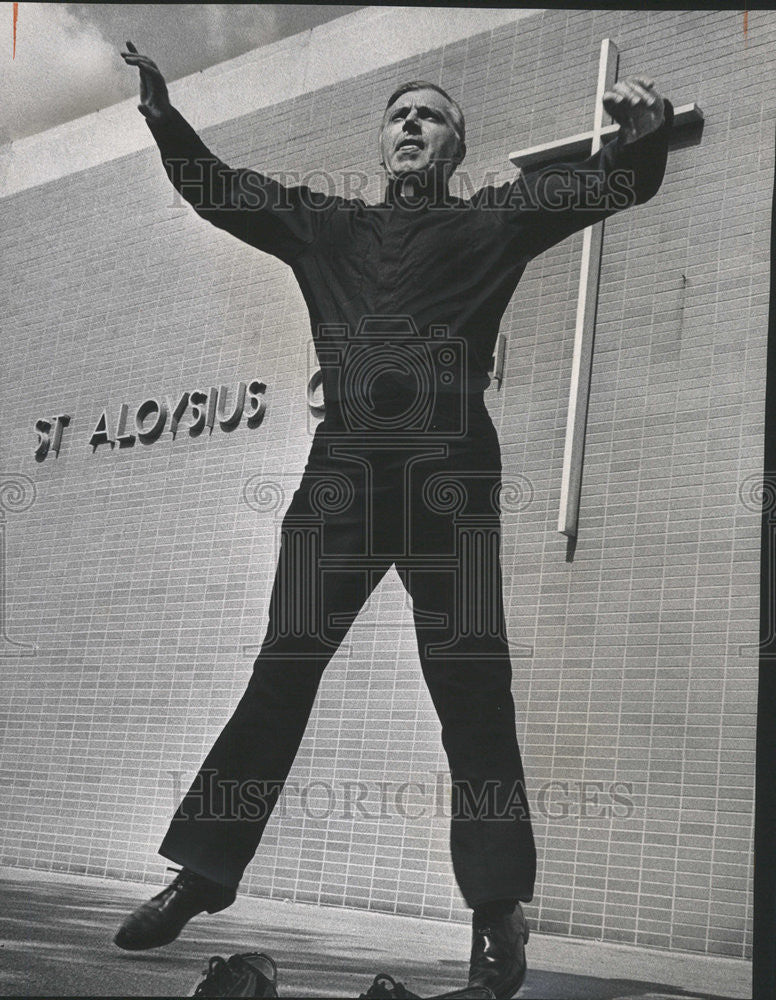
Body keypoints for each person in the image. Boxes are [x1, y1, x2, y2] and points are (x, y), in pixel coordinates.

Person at [114, 40, 672, 999]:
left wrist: (642, 139)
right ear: (383, 143)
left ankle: (497, 912)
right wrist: (163, 114)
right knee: (281, 669)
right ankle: (202, 873)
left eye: (433, 117)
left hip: (451, 480)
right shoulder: (326, 228)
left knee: (473, 699)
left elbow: (606, 188)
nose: (412, 125)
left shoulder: (492, 222)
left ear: (456, 148)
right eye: (400, 115)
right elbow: (219, 189)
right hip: (340, 484)